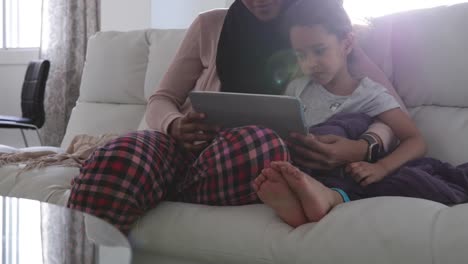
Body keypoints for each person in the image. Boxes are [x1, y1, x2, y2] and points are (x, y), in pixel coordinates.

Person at [67, 0, 406, 235]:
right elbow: (161, 99)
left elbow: (393, 109)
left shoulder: (316, 34)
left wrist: (364, 148)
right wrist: (174, 124)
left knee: (259, 146)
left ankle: (158, 190)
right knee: (121, 154)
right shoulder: (209, 26)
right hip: (184, 148)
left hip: (244, 157)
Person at [253, 0, 468, 228]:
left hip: (345, 172)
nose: (310, 64)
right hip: (303, 165)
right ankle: (298, 199)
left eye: (319, 50)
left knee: (353, 136)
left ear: (347, 43)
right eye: (301, 55)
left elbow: (415, 140)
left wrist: (381, 167)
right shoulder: (297, 88)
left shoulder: (369, 94)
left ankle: (327, 197)